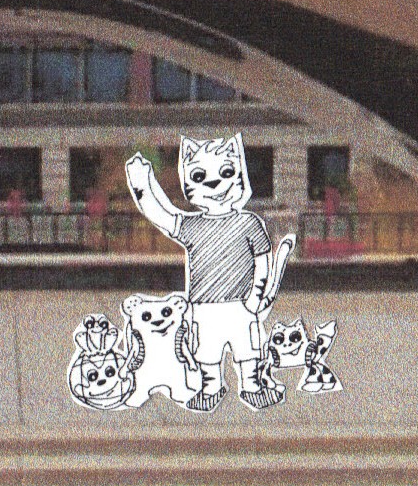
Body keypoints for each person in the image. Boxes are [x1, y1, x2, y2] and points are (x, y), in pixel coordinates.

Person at [122, 135, 292, 411]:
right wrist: (141, 185)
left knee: (247, 350)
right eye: (200, 176)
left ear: (238, 175)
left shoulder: (249, 223)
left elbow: (263, 261)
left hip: (241, 305)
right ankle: (211, 387)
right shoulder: (193, 227)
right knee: (206, 352)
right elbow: (162, 218)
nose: (214, 183)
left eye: (226, 172)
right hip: (204, 306)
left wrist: (255, 297)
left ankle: (251, 386)